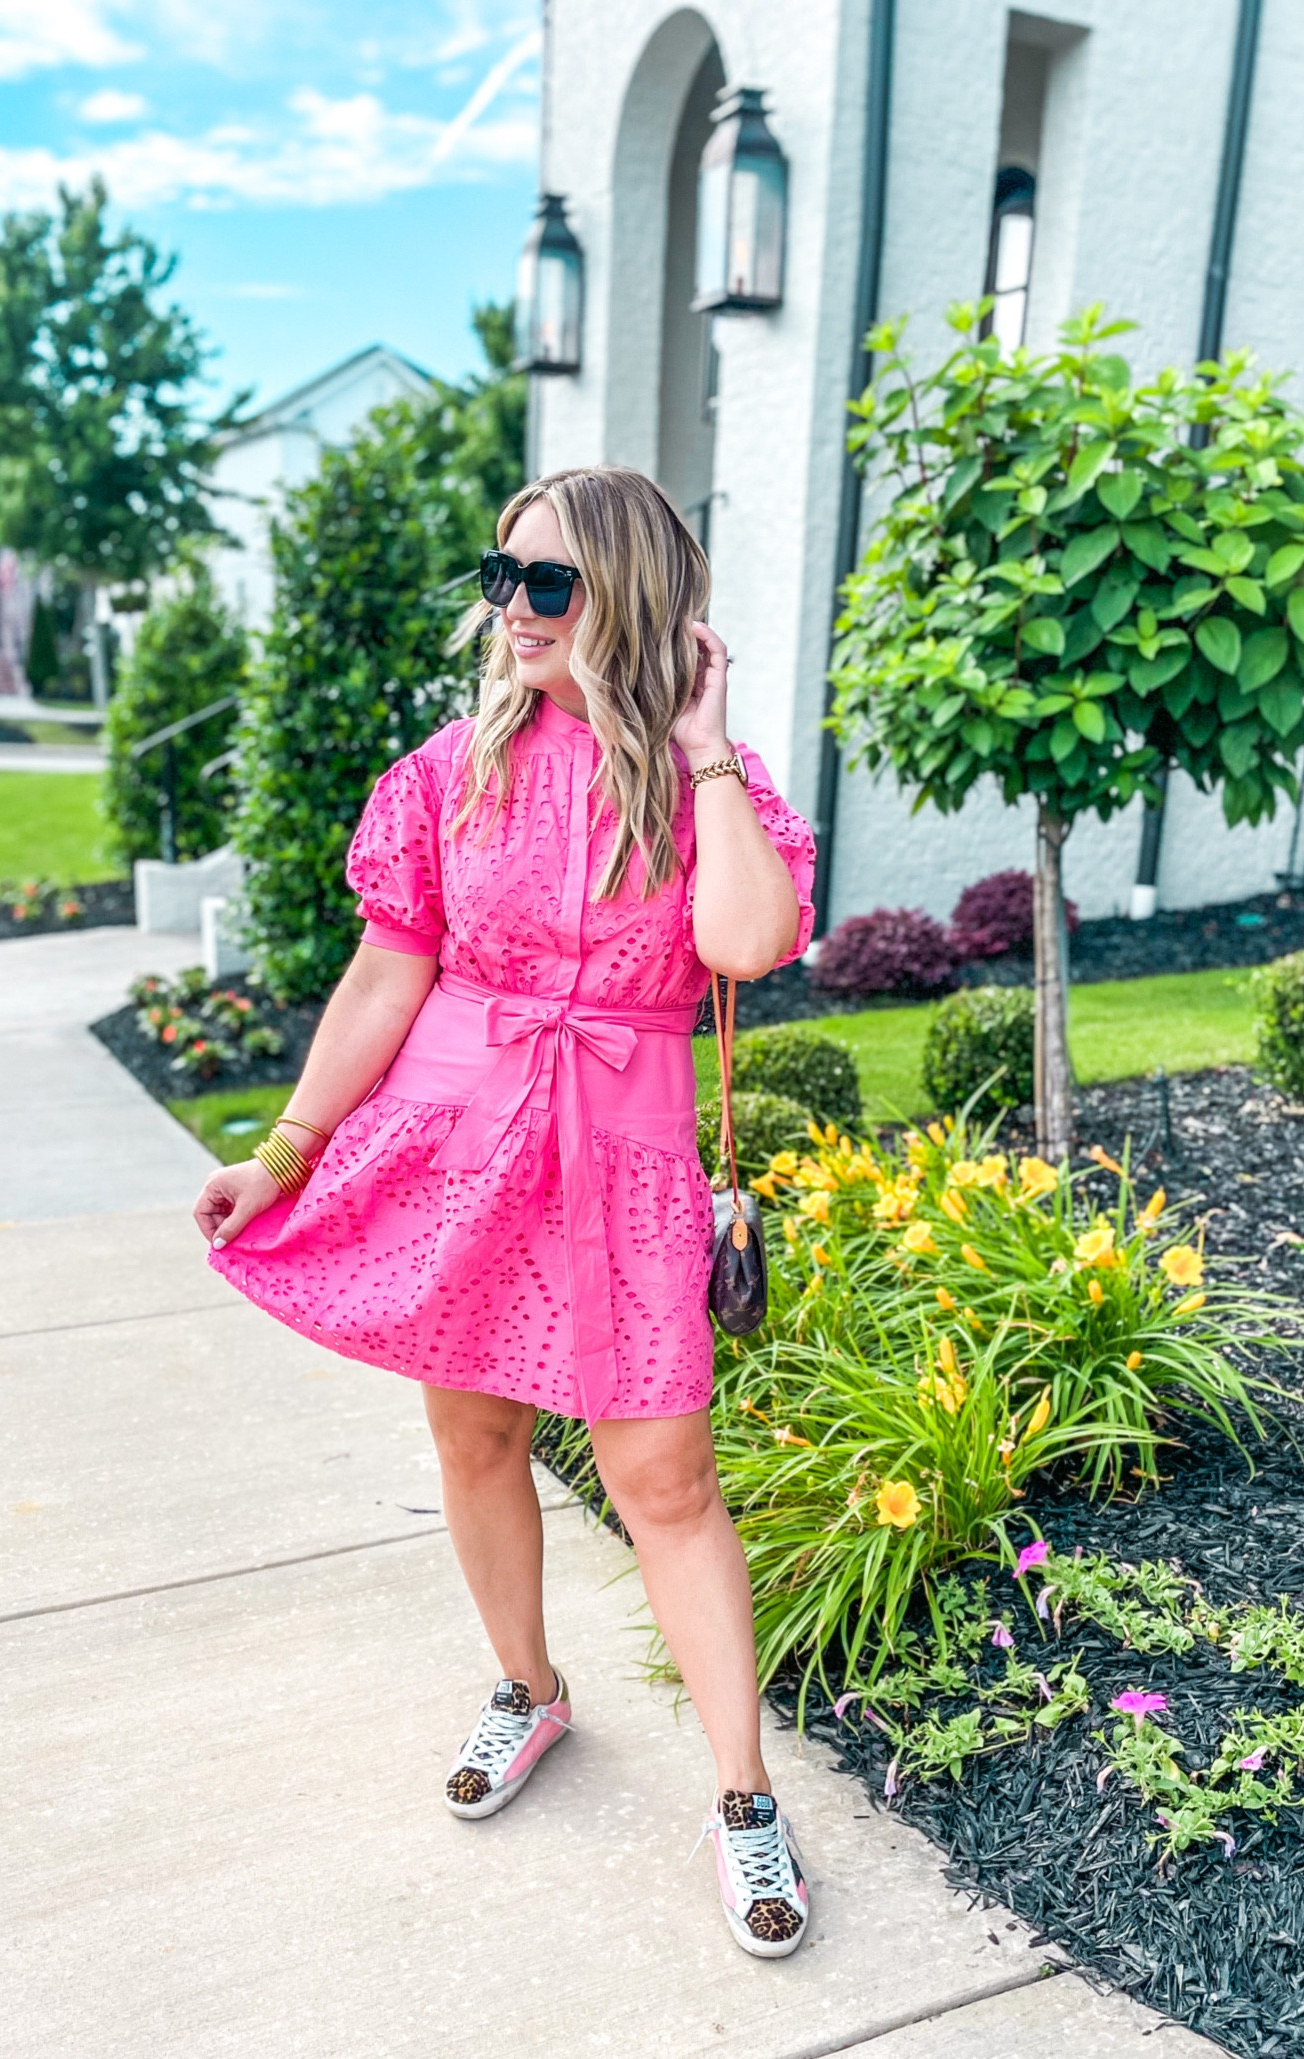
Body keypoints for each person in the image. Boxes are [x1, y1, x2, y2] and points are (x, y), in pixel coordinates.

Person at [193, 466, 817, 1959]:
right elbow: (385, 977)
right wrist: (281, 1153)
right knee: (473, 1435)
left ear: (635, 599)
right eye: (504, 578)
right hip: (460, 1139)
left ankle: (743, 1798)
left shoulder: (701, 787)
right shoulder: (448, 771)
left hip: (622, 1153)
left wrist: (704, 749)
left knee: (663, 1483)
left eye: (551, 584)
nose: (514, 610)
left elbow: (746, 941)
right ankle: (530, 1689)